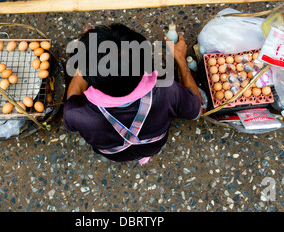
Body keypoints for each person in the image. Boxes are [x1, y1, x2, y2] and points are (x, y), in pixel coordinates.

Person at [63, 23, 202, 164]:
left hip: (116, 155)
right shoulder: (167, 90)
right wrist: (180, 59)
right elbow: (197, 111)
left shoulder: (75, 112)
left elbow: (74, 99)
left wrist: (88, 57)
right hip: (151, 147)